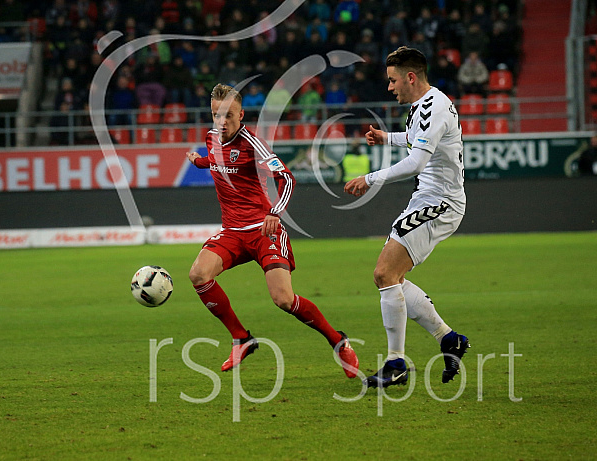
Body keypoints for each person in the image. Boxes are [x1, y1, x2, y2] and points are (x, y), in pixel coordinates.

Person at [186, 83, 359, 377]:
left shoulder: (253, 144)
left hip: (263, 230)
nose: (222, 122)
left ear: (241, 114)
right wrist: (199, 162)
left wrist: (275, 213)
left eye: (228, 115)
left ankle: (338, 341)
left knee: (283, 300)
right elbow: (216, 160)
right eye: (217, 115)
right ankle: (241, 338)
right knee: (198, 275)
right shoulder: (211, 138)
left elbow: (287, 178)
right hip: (232, 232)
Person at [344, 47, 469, 388]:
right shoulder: (424, 105)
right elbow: (418, 142)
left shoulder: (434, 107)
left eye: (393, 80)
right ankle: (448, 339)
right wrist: (387, 137)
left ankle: (396, 363)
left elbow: (416, 163)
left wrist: (370, 178)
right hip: (426, 200)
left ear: (410, 77)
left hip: (440, 202)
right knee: (390, 277)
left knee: (385, 273)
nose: (390, 87)